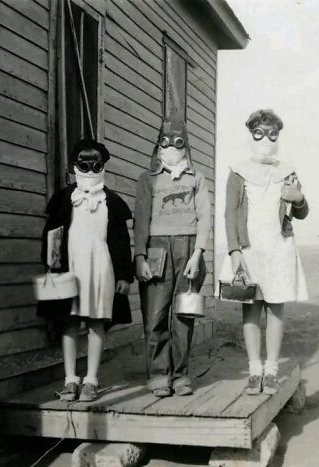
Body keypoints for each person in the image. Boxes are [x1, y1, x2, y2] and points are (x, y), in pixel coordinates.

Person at [220, 109, 309, 395]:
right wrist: (234, 250)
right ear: (251, 134)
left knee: (276, 308)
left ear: (278, 135)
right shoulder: (238, 171)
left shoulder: (287, 171)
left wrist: (299, 200)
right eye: (260, 132)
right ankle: (254, 370)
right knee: (250, 310)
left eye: (272, 133)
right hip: (249, 250)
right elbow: (229, 213)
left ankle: (271, 370)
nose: (266, 138)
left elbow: (302, 212)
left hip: (278, 249)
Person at [40, 139, 133, 402]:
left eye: (96, 164)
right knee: (67, 322)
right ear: (74, 166)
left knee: (96, 322)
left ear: (103, 166)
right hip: (69, 267)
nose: (90, 169)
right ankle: (70, 379)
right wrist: (51, 267)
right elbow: (52, 235)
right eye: (84, 164)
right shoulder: (64, 199)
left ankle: (91, 380)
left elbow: (120, 241)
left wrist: (125, 275)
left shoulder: (111, 201)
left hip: (100, 268)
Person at [133, 117, 212, 397]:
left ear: (186, 146)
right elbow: (141, 220)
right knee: (155, 315)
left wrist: (197, 254)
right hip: (156, 248)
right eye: (165, 141)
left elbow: (204, 218)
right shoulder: (147, 180)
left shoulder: (197, 178)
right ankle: (158, 375)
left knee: (183, 314)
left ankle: (180, 375)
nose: (170, 147)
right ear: (158, 145)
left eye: (177, 141)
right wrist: (140, 255)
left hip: (188, 250)